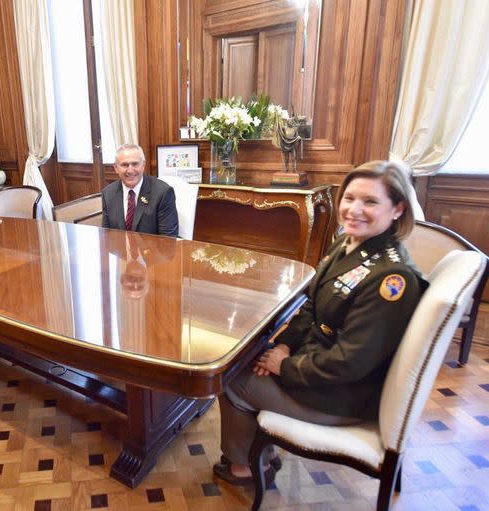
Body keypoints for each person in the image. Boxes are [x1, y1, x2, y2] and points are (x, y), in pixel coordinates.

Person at [213, 160, 427, 487]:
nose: (354, 209)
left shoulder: (392, 278)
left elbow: (349, 364)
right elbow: (312, 306)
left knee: (231, 376)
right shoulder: (349, 243)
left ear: (397, 209)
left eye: (370, 202)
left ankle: (245, 467)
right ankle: (258, 453)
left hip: (341, 395)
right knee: (252, 356)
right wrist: (283, 345)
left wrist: (285, 366)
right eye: (349, 198)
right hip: (319, 368)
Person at [101, 144, 179, 236]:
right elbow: (107, 235)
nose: (130, 170)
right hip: (120, 249)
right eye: (124, 165)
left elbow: (168, 240)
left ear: (143, 165)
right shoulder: (108, 193)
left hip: (152, 249)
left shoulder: (163, 193)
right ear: (116, 168)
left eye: (135, 164)